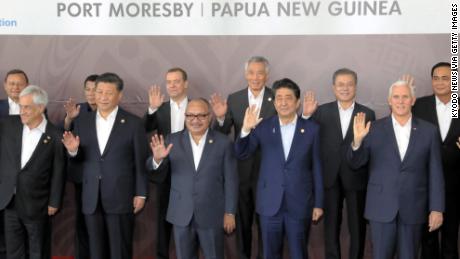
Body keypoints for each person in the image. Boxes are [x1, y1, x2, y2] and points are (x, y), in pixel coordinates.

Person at [348, 80, 445, 259]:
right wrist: (357, 142)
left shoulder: (429, 131)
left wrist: (437, 208)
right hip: (381, 207)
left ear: (413, 100)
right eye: (396, 97)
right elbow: (356, 163)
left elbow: (435, 173)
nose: (401, 101)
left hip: (414, 207)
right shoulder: (373, 129)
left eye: (405, 97)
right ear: (389, 101)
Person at [62, 72, 149, 259]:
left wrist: (141, 193)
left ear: (119, 95)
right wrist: (73, 151)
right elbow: (78, 161)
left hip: (121, 196)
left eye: (108, 93)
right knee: (95, 251)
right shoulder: (82, 122)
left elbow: (140, 161)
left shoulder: (133, 123)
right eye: (99, 92)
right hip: (91, 196)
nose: (102, 97)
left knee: (119, 250)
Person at [235, 78, 323, 259]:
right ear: (274, 102)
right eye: (279, 98)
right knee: (269, 254)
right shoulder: (263, 127)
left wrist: (318, 203)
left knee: (299, 253)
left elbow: (317, 168)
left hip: (299, 203)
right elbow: (242, 153)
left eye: (288, 98)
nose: (283, 102)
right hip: (269, 204)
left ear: (297, 102)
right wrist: (245, 129)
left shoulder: (312, 129)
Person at [147, 98, 238, 259]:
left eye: (201, 116)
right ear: (185, 116)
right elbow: (155, 173)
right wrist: (157, 160)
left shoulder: (223, 143)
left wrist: (230, 212)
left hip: (212, 214)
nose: (195, 120)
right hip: (181, 214)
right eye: (190, 116)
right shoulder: (171, 141)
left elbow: (231, 180)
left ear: (209, 117)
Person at [303, 68, 375, 259]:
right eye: (340, 84)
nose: (345, 88)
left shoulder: (367, 113)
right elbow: (304, 141)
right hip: (329, 178)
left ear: (356, 87)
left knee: (357, 229)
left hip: (356, 178)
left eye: (349, 84)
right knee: (331, 228)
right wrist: (306, 117)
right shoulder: (319, 112)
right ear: (333, 87)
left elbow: (369, 150)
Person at [211, 56, 276, 259]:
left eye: (260, 73)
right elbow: (222, 134)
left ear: (267, 75)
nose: (255, 77)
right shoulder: (235, 98)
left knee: (267, 225)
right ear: (245, 74)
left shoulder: (278, 98)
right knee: (243, 224)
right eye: (251, 72)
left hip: (269, 172)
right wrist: (221, 118)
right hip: (242, 171)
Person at [0, 85, 66, 259]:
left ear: (41, 107)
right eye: (21, 106)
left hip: (38, 203)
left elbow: (59, 172)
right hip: (9, 201)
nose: (22, 111)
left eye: (27, 107)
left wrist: (54, 202)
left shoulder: (56, 136)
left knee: (38, 251)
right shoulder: (8, 125)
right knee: (13, 251)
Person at [412, 62, 460, 259]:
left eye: (445, 78)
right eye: (436, 78)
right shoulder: (419, 105)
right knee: (428, 240)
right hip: (426, 185)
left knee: (451, 239)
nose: (440, 82)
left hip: (455, 184)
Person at [144, 67, 189, 259]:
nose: (172, 85)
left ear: (185, 84)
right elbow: (145, 128)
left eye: (176, 81)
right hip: (166, 171)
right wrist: (152, 109)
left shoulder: (198, 107)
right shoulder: (159, 108)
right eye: (169, 82)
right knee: (163, 220)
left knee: (190, 220)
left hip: (192, 171)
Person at [61, 74, 98, 259]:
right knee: (82, 221)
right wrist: (69, 119)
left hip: (103, 177)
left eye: (95, 89)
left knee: (101, 223)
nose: (91, 94)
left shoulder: (111, 111)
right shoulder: (78, 110)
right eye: (88, 89)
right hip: (81, 175)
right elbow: (65, 136)